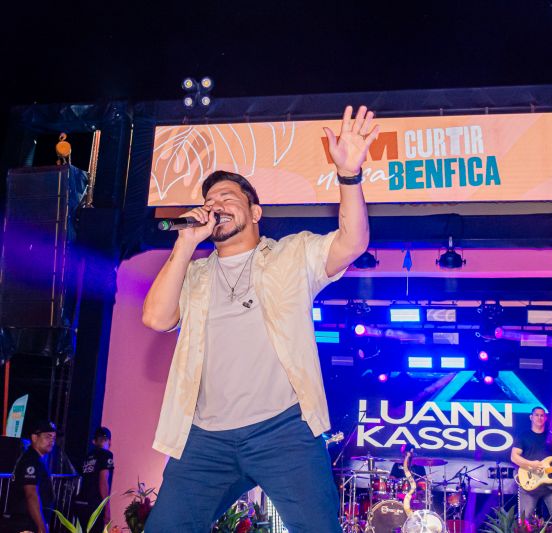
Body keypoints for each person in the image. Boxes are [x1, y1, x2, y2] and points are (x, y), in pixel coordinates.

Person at [141, 105, 377, 532]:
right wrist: (185, 243)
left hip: (283, 431)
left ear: (255, 212)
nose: (216, 205)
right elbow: (157, 318)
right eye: (209, 201)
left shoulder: (291, 254)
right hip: (205, 438)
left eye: (227, 198)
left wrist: (348, 175)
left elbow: (353, 242)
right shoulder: (193, 274)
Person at [510, 407, 552, 533]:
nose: (539, 418)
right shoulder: (523, 436)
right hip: (530, 482)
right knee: (525, 520)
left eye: (542, 415)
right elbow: (514, 457)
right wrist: (531, 464)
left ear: (545, 418)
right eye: (536, 415)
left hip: (550, 483)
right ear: (531, 417)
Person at [1, 421, 57, 533]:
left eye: (54, 438)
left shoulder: (35, 459)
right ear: (34, 438)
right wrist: (41, 526)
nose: (52, 440)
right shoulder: (31, 461)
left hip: (29, 522)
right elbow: (31, 494)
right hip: (26, 524)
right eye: (48, 436)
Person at [73, 427, 114, 531]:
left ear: (94, 441)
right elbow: (103, 482)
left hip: (81, 502)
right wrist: (107, 508)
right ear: (109, 441)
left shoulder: (87, 457)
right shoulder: (106, 455)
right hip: (95, 505)